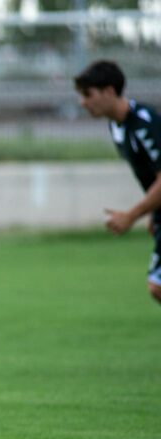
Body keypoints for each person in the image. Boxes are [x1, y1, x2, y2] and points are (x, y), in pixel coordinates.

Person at [75, 60, 161, 306]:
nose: (83, 102)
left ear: (109, 91)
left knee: (157, 285)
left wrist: (131, 216)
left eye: (88, 94)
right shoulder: (117, 127)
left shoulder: (145, 123)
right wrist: (154, 214)